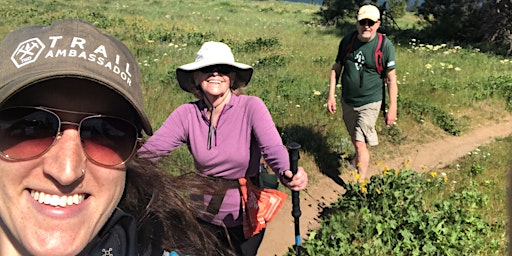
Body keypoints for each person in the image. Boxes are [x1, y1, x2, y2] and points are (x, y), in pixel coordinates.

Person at [0, 19, 232, 256]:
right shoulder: (186, 114)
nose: (66, 171)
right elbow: (157, 148)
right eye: (31, 126)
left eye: (105, 133)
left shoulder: (252, 109)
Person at [138, 41, 308, 256]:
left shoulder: (251, 107)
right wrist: (121, 168)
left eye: (224, 69)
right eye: (207, 69)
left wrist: (287, 172)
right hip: (201, 213)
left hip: (245, 215)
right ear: (196, 77)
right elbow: (152, 152)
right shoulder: (186, 114)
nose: (215, 74)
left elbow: (273, 147)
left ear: (233, 77)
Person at [327, 4, 398, 181]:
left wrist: (392, 108)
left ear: (378, 24)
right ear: (357, 23)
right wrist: (331, 95)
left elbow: (391, 78)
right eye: (363, 22)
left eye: (371, 22)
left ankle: (360, 185)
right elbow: (336, 68)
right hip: (348, 101)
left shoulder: (384, 45)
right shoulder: (347, 41)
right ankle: (354, 161)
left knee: (360, 144)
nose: (366, 26)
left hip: (370, 102)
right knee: (354, 138)